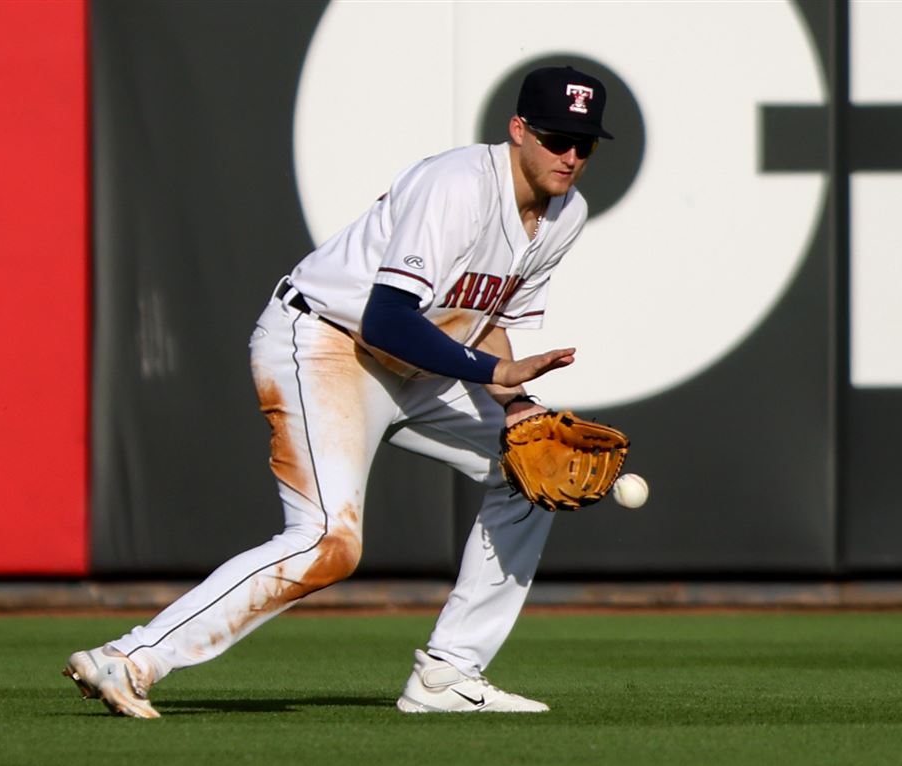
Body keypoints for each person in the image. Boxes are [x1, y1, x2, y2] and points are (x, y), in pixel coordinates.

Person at [64, 65, 613, 717]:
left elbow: (487, 319)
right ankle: (130, 658)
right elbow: (385, 317)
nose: (571, 156)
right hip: (327, 338)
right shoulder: (458, 185)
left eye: (585, 143)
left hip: (415, 365)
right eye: (557, 138)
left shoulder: (566, 213)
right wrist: (490, 376)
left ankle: (448, 673)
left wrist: (517, 408)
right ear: (518, 130)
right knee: (330, 539)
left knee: (534, 467)